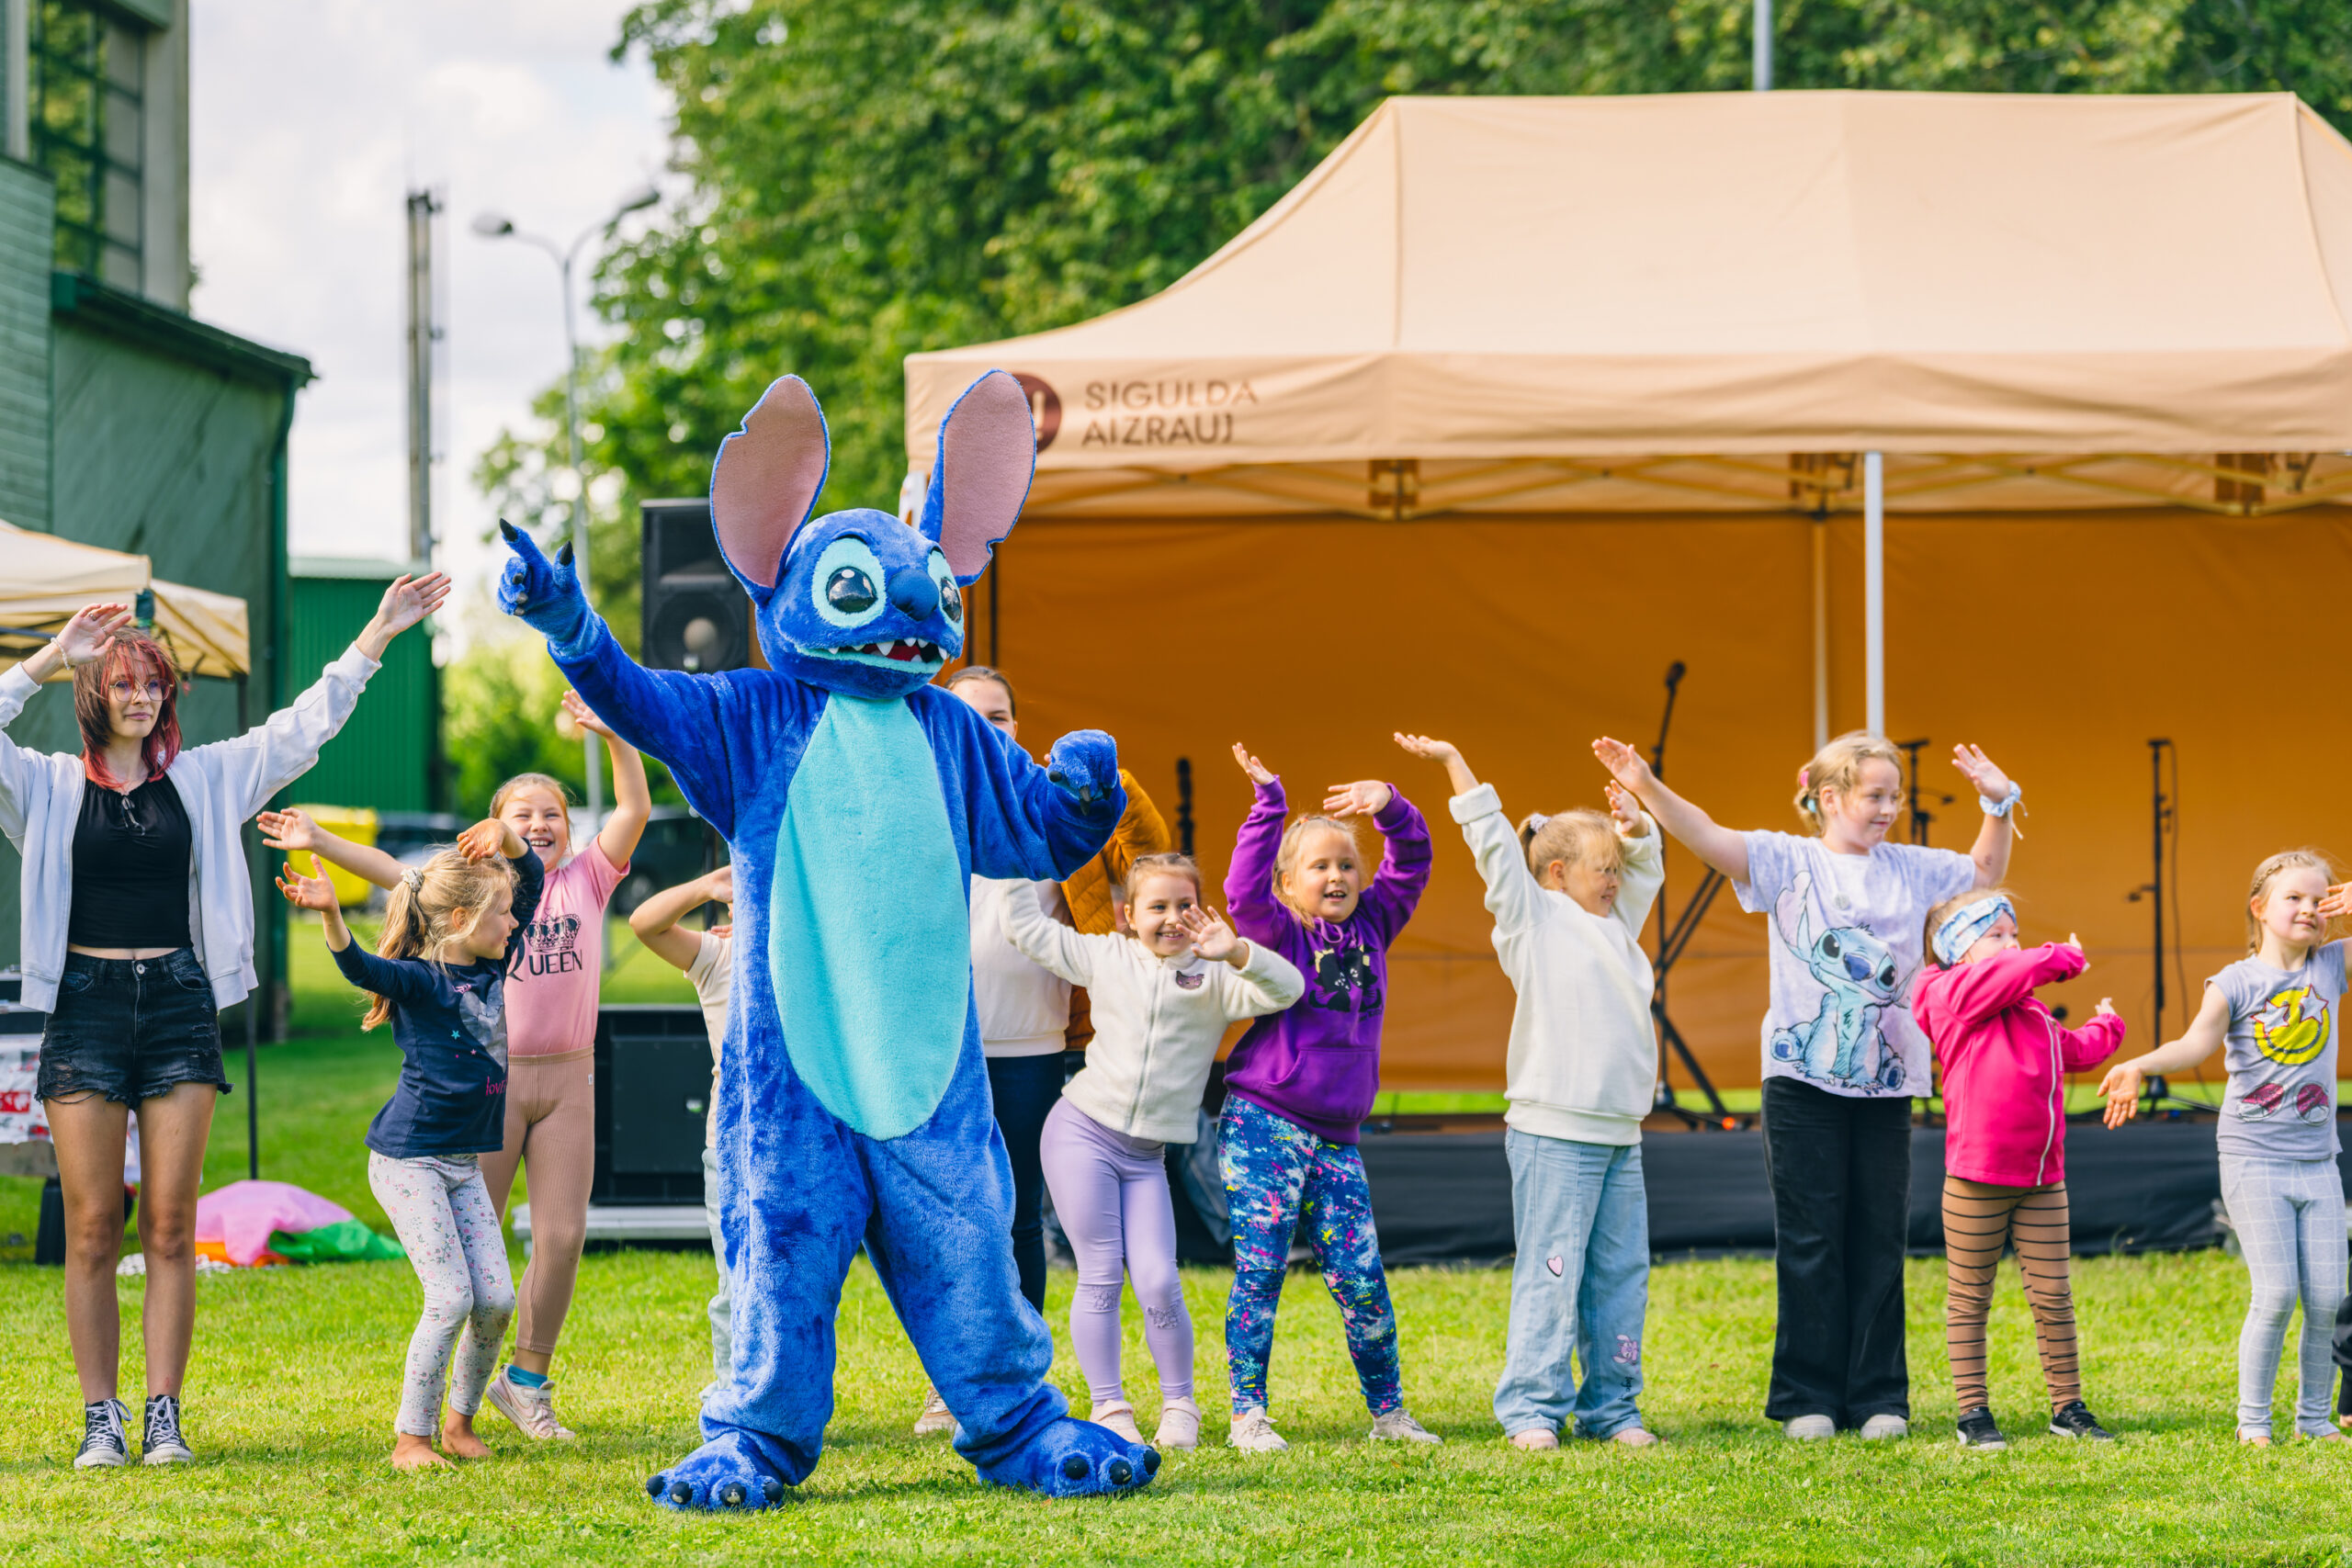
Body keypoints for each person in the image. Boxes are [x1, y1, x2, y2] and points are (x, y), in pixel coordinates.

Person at [1, 578, 445, 1469]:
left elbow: (301, 728)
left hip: (177, 1007)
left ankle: (164, 1413)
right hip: (83, 1006)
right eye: (122, 683)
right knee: (93, 1228)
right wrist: (50, 658)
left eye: (153, 685)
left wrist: (378, 631)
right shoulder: (42, 786)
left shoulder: (203, 780)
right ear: (94, 694)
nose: (139, 697)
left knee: (169, 1225)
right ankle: (103, 1418)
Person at [1592, 729, 2018, 1441]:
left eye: (1895, 795)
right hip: (1799, 1084)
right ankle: (1806, 1397)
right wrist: (1644, 782)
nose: (1889, 807)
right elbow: (1704, 834)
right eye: (1874, 795)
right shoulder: (1786, 858)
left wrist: (1998, 802)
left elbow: (1982, 871)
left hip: (1886, 1086)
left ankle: (1880, 1396)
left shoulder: (1909, 868)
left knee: (1879, 1236)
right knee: (1812, 1235)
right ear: (1828, 796)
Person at [260, 686, 650, 1440]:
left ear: (571, 829)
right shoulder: (480, 892)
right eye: (521, 812)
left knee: (561, 1237)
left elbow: (631, 806)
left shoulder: (581, 879)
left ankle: (524, 1383)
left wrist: (614, 731)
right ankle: (439, 1414)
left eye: (552, 814)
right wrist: (321, 842)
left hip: (567, 1079)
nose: (538, 822)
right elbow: (390, 874)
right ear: (491, 824)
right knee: (474, 1258)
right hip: (490, 1091)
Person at [1395, 733, 1664, 1451]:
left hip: (1619, 1134)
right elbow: (1492, 849)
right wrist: (1458, 764)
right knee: (1552, 1268)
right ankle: (1532, 1407)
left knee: (1620, 1273)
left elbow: (1647, 872)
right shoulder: (1535, 922)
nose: (1614, 878)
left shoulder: (1619, 930)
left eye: (1616, 867)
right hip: (1554, 1130)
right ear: (1552, 873)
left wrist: (1636, 827)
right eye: (1600, 867)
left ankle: (1613, 1407)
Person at [923, 664, 1171, 1437]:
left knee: (1020, 1215)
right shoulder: (919, 800)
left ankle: (1017, 1374)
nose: (987, 728)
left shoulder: (1050, 803)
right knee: (953, 1219)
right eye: (972, 717)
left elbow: (1148, 850)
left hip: (1032, 1042)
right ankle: (949, 1381)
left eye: (1000, 716)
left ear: (1018, 727)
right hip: (941, 1045)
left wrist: (1110, 780)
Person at [1002, 851, 1303, 1450]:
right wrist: (1011, 857)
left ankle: (1180, 1403)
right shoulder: (1107, 955)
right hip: (1081, 1132)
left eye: (1184, 905)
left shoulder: (1217, 976)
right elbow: (1027, 929)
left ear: (1202, 910)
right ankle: (1110, 1405)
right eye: (1156, 906)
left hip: (1146, 1158)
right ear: (1126, 914)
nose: (1170, 918)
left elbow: (1288, 988)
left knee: (1161, 1280)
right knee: (1102, 1273)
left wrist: (1236, 950)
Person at [278, 822, 542, 1469]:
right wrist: (333, 914)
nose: (513, 923)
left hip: (459, 1163)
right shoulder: (423, 981)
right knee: (451, 1296)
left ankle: (459, 1424)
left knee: (498, 1299)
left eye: (510, 913)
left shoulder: (493, 962)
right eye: (500, 913)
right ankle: (411, 1438)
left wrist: (508, 837)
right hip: (408, 1160)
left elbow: (532, 883)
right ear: (461, 917)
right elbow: (358, 966)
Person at [1217, 741, 1436, 1451]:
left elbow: (1415, 862)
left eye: (1347, 864)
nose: (1336, 875)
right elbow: (1241, 891)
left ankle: (1390, 1412)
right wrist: (1268, 807)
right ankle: (1247, 1412)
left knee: (1362, 1278)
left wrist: (1392, 807)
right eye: (1320, 865)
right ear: (1290, 881)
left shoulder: (1375, 924)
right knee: (1262, 1268)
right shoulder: (1278, 927)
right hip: (1264, 1123)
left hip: (1338, 1138)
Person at [2099, 851, 2348, 1446]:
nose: (2310, 908)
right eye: (2294, 897)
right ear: (2260, 908)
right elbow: (2192, 1045)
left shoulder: (2334, 966)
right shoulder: (2236, 981)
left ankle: (2314, 1421)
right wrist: (2137, 1062)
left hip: (2318, 1161)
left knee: (2326, 1296)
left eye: (2320, 899)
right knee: (2279, 1291)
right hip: (2252, 1158)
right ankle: (2253, 1421)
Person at [1912, 893, 2123, 1450]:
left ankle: (2067, 1406)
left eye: (2015, 933)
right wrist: (2061, 958)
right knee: (1970, 1296)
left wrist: (2109, 1027)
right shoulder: (1947, 993)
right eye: (1997, 935)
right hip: (1975, 1179)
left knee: (2054, 1295)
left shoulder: (2029, 1010)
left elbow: (2071, 1050)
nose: (2012, 945)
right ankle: (1973, 1413)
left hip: (2042, 1181)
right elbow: (2014, 971)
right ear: (1957, 948)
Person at [628, 864, 736, 1390]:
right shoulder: (718, 956)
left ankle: (789, 1392)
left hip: (808, 1147)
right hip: (733, 1144)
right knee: (736, 1282)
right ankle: (736, 1393)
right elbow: (645, 923)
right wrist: (703, 887)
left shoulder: (816, 957)